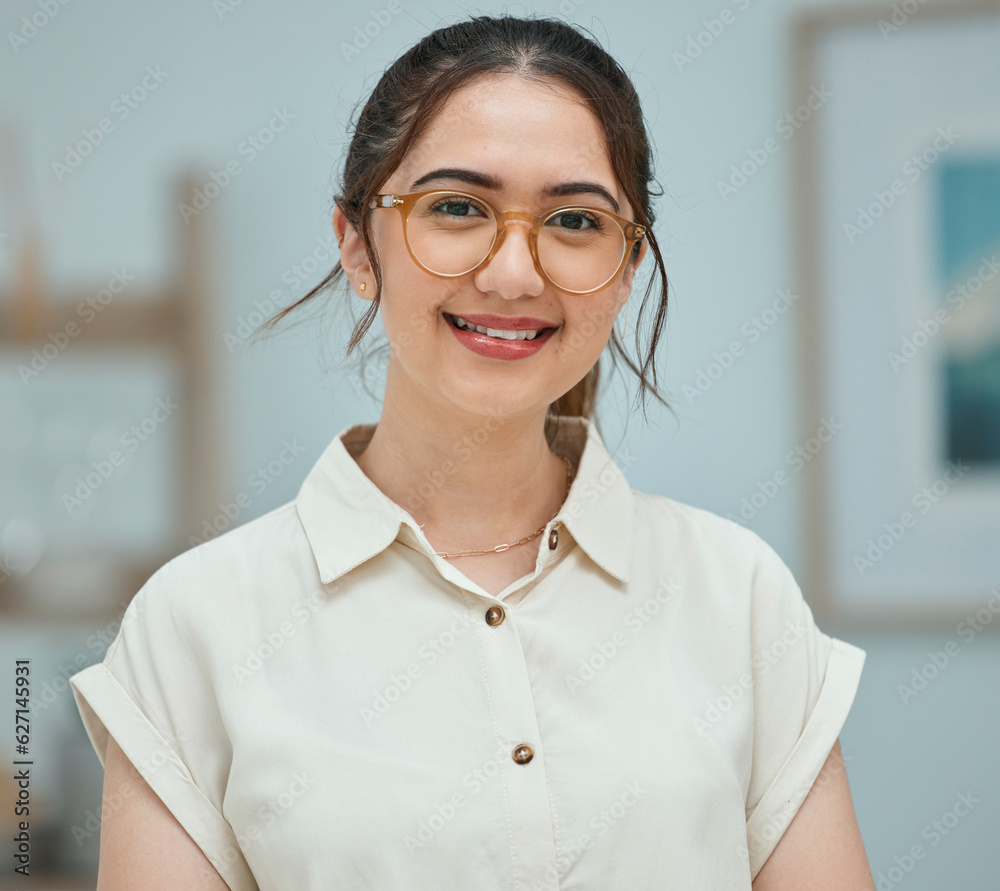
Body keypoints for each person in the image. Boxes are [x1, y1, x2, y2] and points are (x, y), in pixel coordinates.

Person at [69, 15, 875, 890]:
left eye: (575, 219)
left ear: (626, 266)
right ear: (355, 244)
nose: (515, 273)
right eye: (457, 207)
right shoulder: (193, 625)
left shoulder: (741, 596)